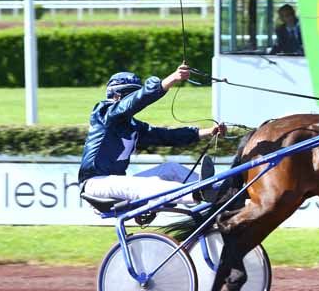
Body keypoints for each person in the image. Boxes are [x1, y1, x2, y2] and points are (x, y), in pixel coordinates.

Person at [78, 65, 226, 204]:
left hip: (119, 184)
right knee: (150, 184)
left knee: (171, 168)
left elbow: (166, 136)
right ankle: (198, 193)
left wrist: (208, 132)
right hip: (95, 184)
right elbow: (137, 100)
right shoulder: (103, 112)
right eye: (130, 94)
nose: (135, 103)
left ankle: (218, 189)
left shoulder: (133, 126)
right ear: (116, 96)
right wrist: (171, 79)